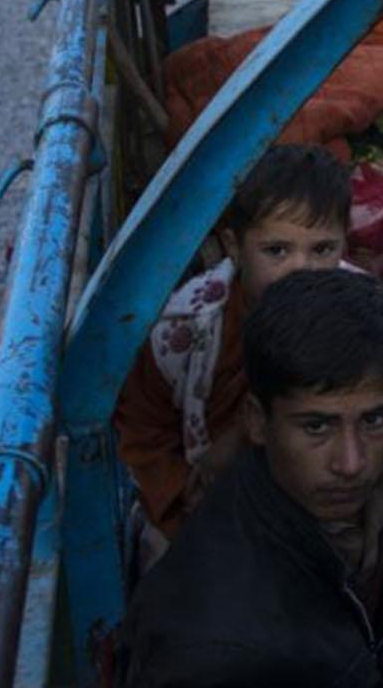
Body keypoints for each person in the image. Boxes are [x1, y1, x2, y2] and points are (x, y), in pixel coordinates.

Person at [119, 269, 383, 688]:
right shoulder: (206, 648)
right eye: (316, 427)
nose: (351, 463)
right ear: (258, 423)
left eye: (374, 419)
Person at [114, 144, 352, 542]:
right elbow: (144, 429)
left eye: (323, 250)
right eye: (276, 250)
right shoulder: (184, 327)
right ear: (233, 247)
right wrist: (184, 507)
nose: (301, 271)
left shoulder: (359, 315)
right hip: (207, 509)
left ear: (346, 242)